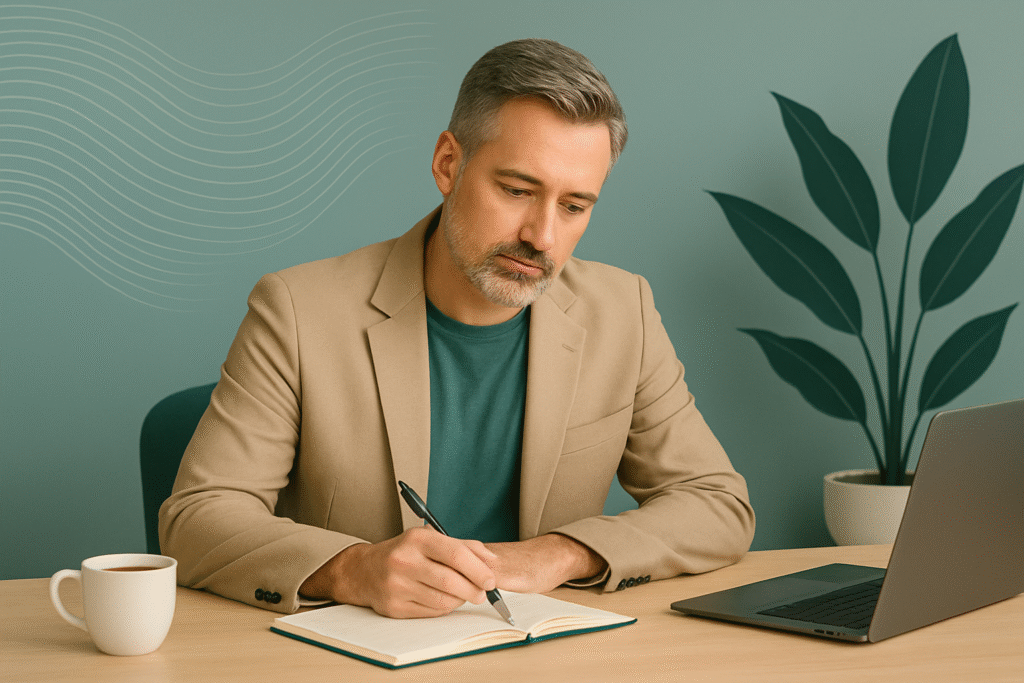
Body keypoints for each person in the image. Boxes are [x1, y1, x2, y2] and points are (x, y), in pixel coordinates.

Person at [159, 38, 755, 617]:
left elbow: (717, 504)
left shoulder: (623, 310)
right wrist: (351, 569)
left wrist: (560, 554)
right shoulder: (295, 310)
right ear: (449, 164)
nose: (543, 237)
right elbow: (198, 517)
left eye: (574, 207)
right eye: (518, 190)